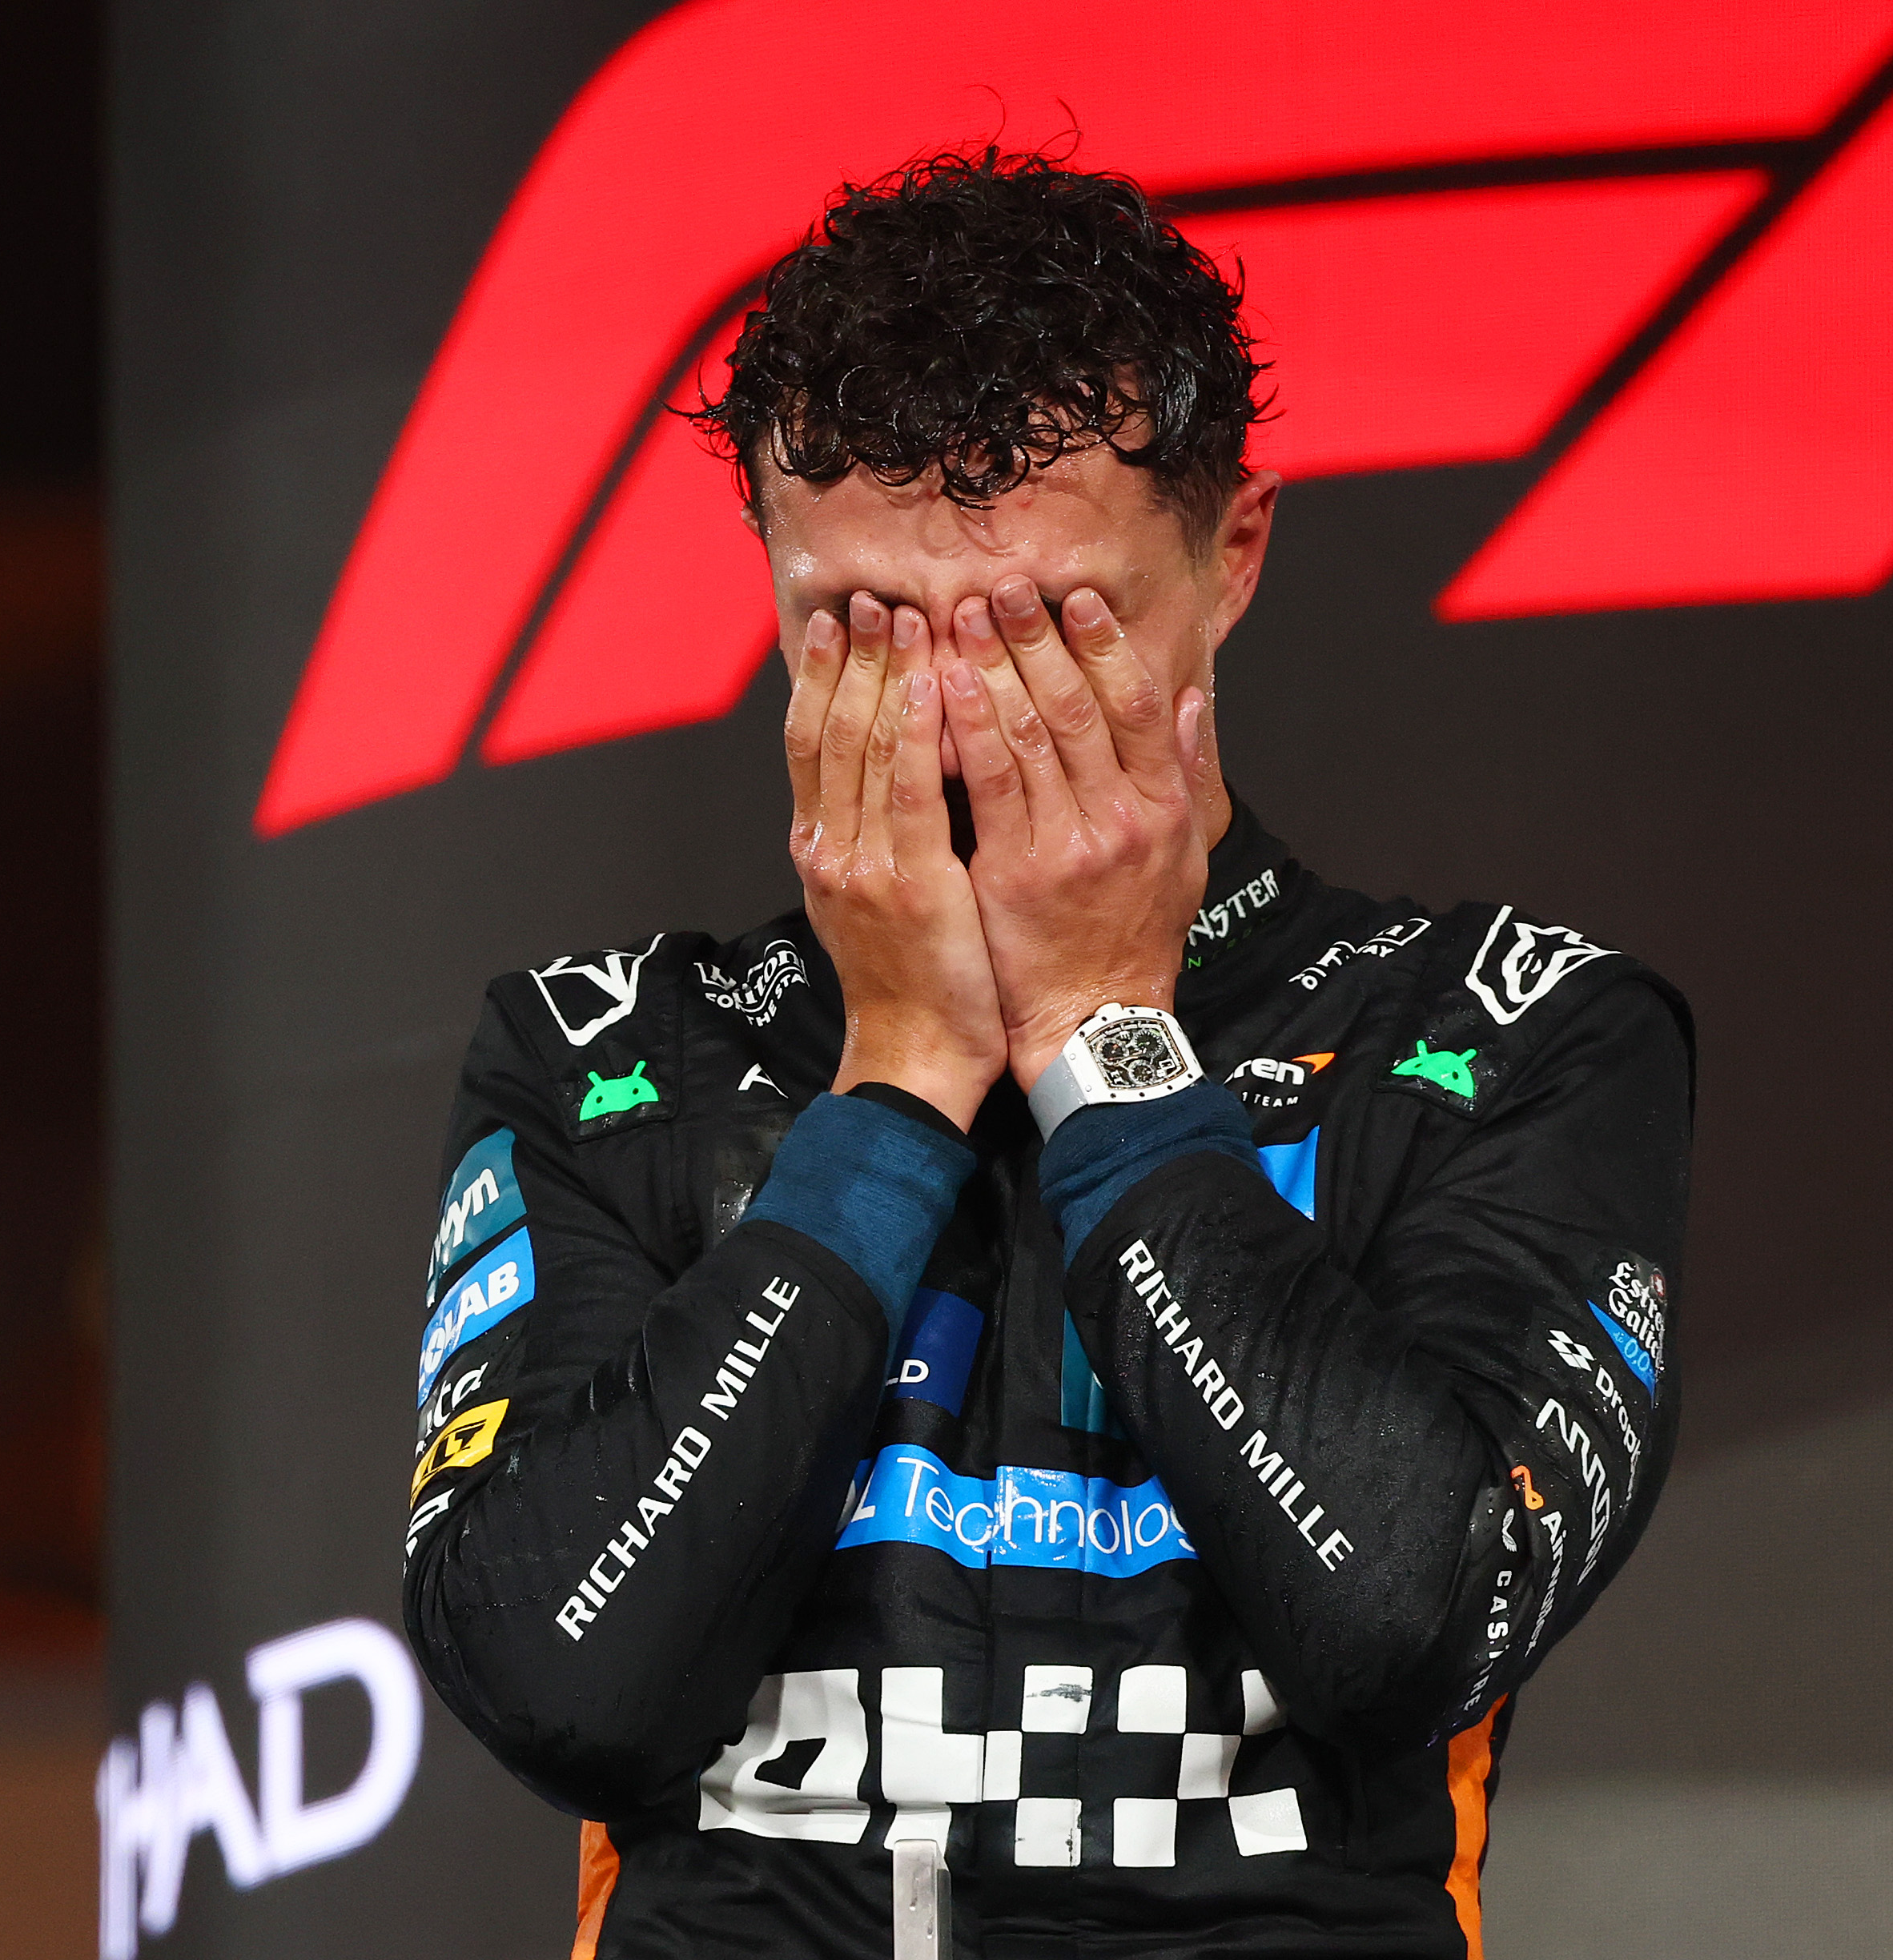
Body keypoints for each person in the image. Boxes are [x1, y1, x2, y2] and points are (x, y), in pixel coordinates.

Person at [400, 149, 1691, 1960]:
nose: (952, 707)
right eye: (859, 624)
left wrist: (1106, 1043)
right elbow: (562, 1685)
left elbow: (1409, 1628)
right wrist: (902, 1074)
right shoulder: (606, 1051)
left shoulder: (1517, 1027)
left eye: (1044, 625)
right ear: (765, 575)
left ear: (1230, 556)